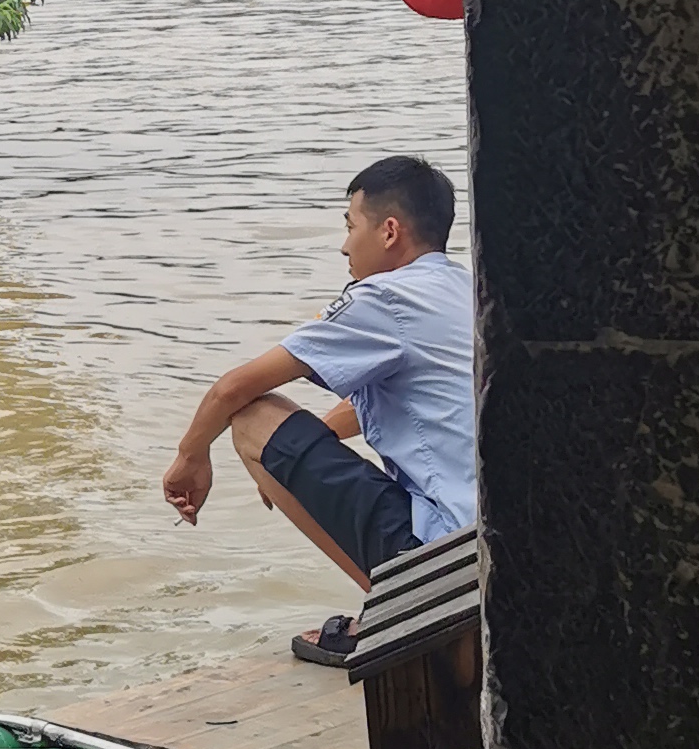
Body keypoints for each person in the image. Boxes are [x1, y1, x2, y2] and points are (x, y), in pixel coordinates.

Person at [160, 154, 473, 667]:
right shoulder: (469, 290)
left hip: (449, 562)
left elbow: (233, 390)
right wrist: (301, 457)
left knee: (255, 420)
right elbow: (397, 399)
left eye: (350, 227)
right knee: (283, 442)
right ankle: (408, 602)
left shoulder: (384, 298)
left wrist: (190, 457)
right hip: (498, 543)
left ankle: (394, 608)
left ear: (389, 231)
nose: (344, 245)